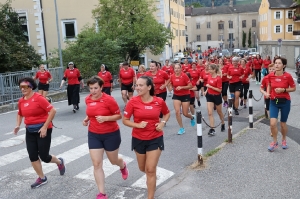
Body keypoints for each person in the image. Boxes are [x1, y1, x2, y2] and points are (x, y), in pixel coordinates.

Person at [122, 76, 170, 199]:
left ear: (149, 87)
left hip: (155, 137)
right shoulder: (133, 101)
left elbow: (167, 113)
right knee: (142, 168)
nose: (137, 88)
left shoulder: (159, 101)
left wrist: (162, 123)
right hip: (138, 138)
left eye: (141, 85)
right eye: (137, 85)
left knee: (150, 169)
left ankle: (150, 196)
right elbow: (125, 120)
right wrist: (137, 125)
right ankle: (152, 177)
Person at [13, 77, 65, 188]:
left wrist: (45, 127)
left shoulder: (38, 98)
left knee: (44, 157)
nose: (22, 89)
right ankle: (42, 178)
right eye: (21, 87)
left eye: (25, 86)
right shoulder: (21, 100)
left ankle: (59, 162)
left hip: (43, 130)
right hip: (30, 131)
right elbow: (20, 113)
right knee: (32, 156)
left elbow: (52, 110)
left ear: (31, 87)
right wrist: (18, 125)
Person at [82, 76, 128, 199]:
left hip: (110, 134)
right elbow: (91, 113)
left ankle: (122, 165)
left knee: (113, 161)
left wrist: (105, 118)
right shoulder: (88, 99)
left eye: (96, 88)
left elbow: (118, 116)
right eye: (91, 88)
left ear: (102, 87)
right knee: (97, 164)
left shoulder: (109, 100)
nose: (93, 91)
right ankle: (102, 193)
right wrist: (86, 119)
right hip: (94, 134)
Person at [266, 57, 296, 152]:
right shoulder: (270, 75)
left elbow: (293, 88)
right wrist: (267, 93)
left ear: (284, 65)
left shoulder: (288, 76)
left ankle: (284, 139)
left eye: (279, 63)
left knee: (283, 124)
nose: (277, 65)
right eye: (276, 63)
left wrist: (284, 90)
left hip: (285, 102)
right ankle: (275, 142)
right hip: (274, 101)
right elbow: (269, 85)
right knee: (272, 124)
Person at [170, 63, 195, 135]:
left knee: (185, 113)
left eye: (178, 68)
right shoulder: (172, 76)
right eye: (175, 68)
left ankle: (192, 117)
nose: (177, 69)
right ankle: (181, 128)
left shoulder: (184, 76)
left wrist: (182, 87)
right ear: (173, 69)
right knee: (177, 112)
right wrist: (170, 87)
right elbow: (171, 84)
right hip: (176, 95)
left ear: (181, 69)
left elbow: (190, 86)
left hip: (185, 95)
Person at [205, 64, 225, 135]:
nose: (209, 70)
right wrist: (206, 91)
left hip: (217, 96)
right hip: (210, 96)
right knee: (210, 113)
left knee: (219, 112)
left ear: (214, 70)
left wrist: (210, 86)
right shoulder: (209, 76)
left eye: (210, 69)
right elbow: (208, 85)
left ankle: (223, 123)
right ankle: (212, 129)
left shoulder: (218, 78)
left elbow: (219, 90)